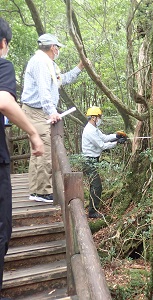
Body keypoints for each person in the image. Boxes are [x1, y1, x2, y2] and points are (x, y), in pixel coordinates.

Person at [0, 17, 44, 299]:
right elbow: (5, 102)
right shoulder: (3, 64)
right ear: (3, 43)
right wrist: (33, 133)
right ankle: (40, 193)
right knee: (2, 228)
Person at [21, 33, 85, 203]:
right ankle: (43, 192)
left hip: (35, 111)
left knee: (38, 151)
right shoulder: (41, 62)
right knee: (45, 151)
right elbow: (44, 90)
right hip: (36, 112)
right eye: (57, 47)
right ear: (52, 47)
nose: (58, 50)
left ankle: (36, 190)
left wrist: (80, 67)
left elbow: (60, 80)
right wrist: (51, 111)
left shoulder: (47, 63)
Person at [81, 107, 127, 218]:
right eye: (99, 117)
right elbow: (102, 145)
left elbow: (104, 137)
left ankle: (93, 208)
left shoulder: (94, 128)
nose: (100, 119)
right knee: (96, 186)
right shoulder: (89, 130)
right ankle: (92, 212)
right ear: (93, 117)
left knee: (95, 185)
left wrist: (116, 136)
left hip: (94, 160)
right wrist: (117, 143)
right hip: (89, 161)